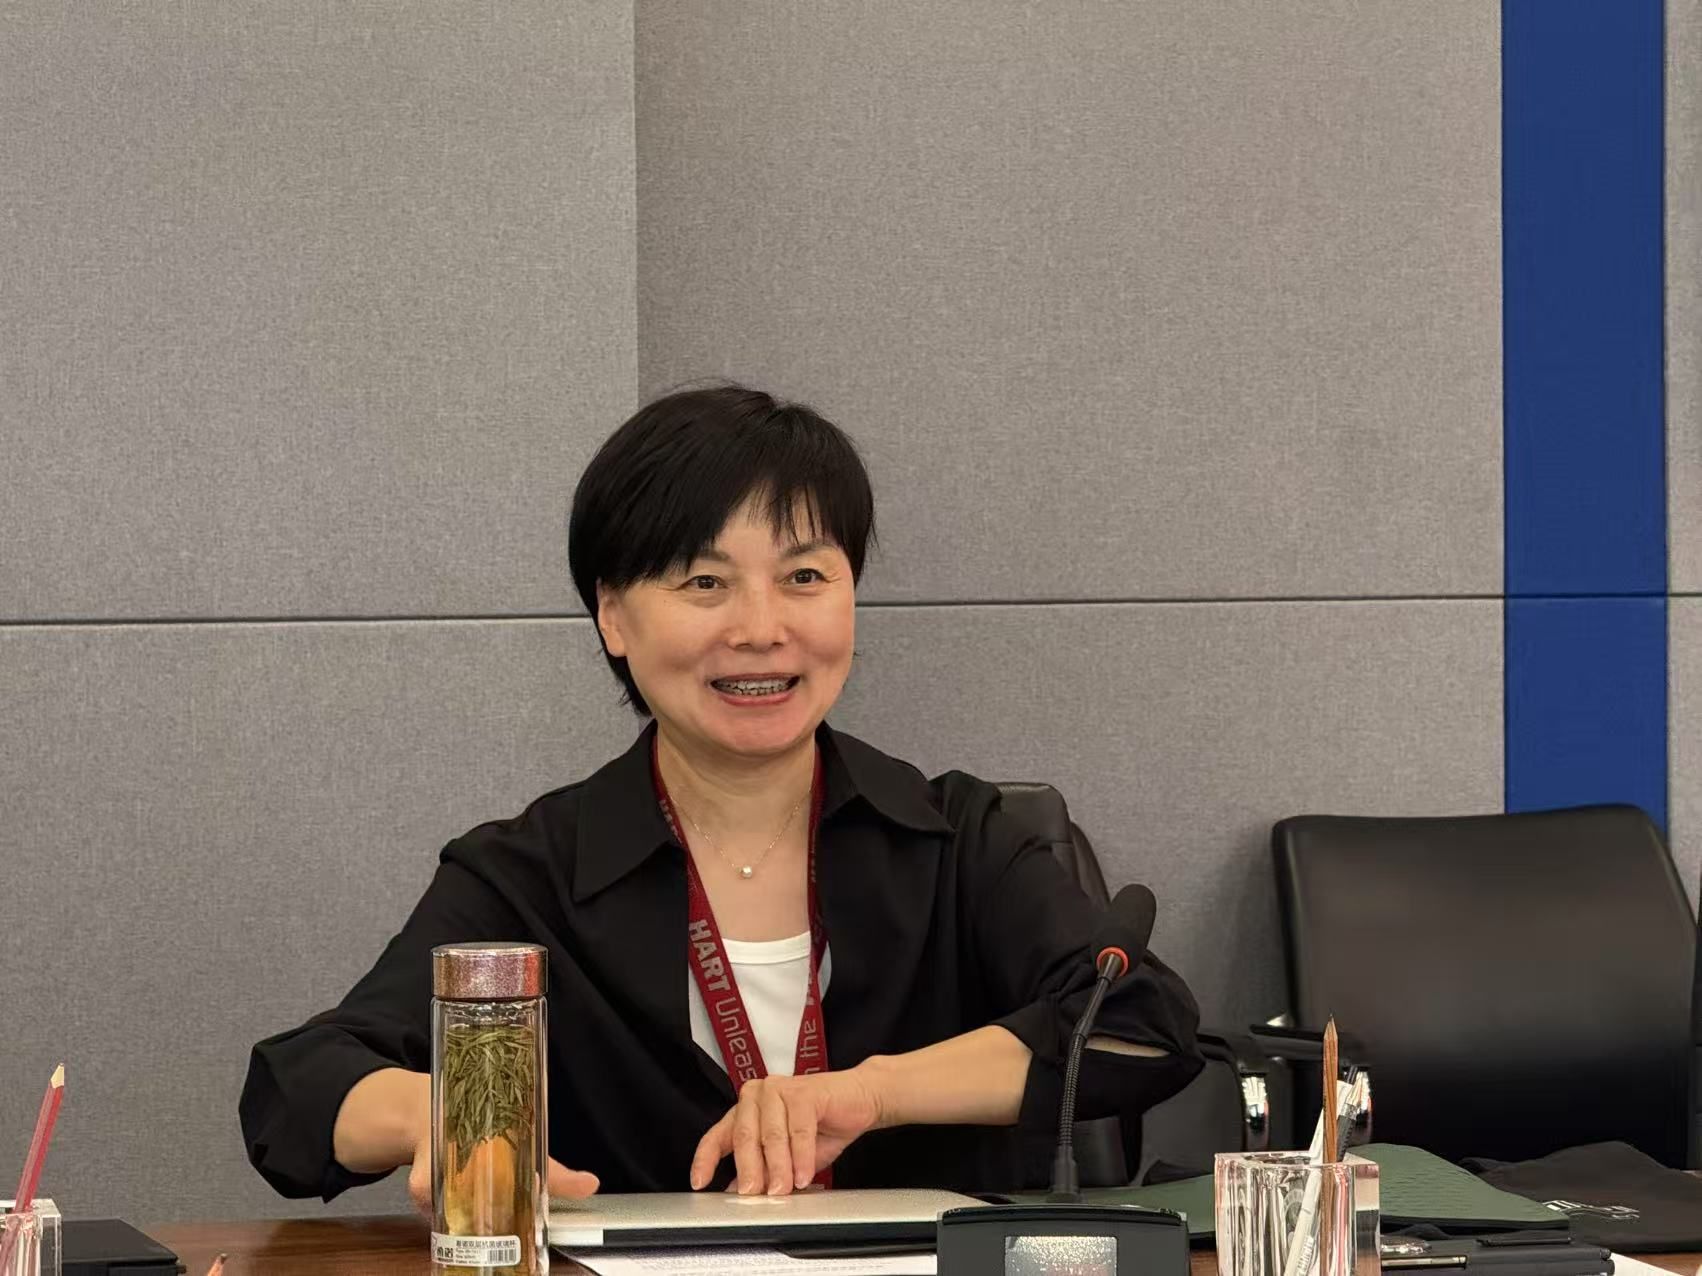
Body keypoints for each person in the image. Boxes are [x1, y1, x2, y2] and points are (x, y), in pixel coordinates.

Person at [239, 384, 1202, 1211]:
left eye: (805, 576)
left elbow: (1144, 1024)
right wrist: (436, 1111)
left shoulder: (956, 840)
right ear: (613, 616)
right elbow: (294, 1093)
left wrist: (872, 1094)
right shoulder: (531, 877)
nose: (761, 627)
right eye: (705, 582)